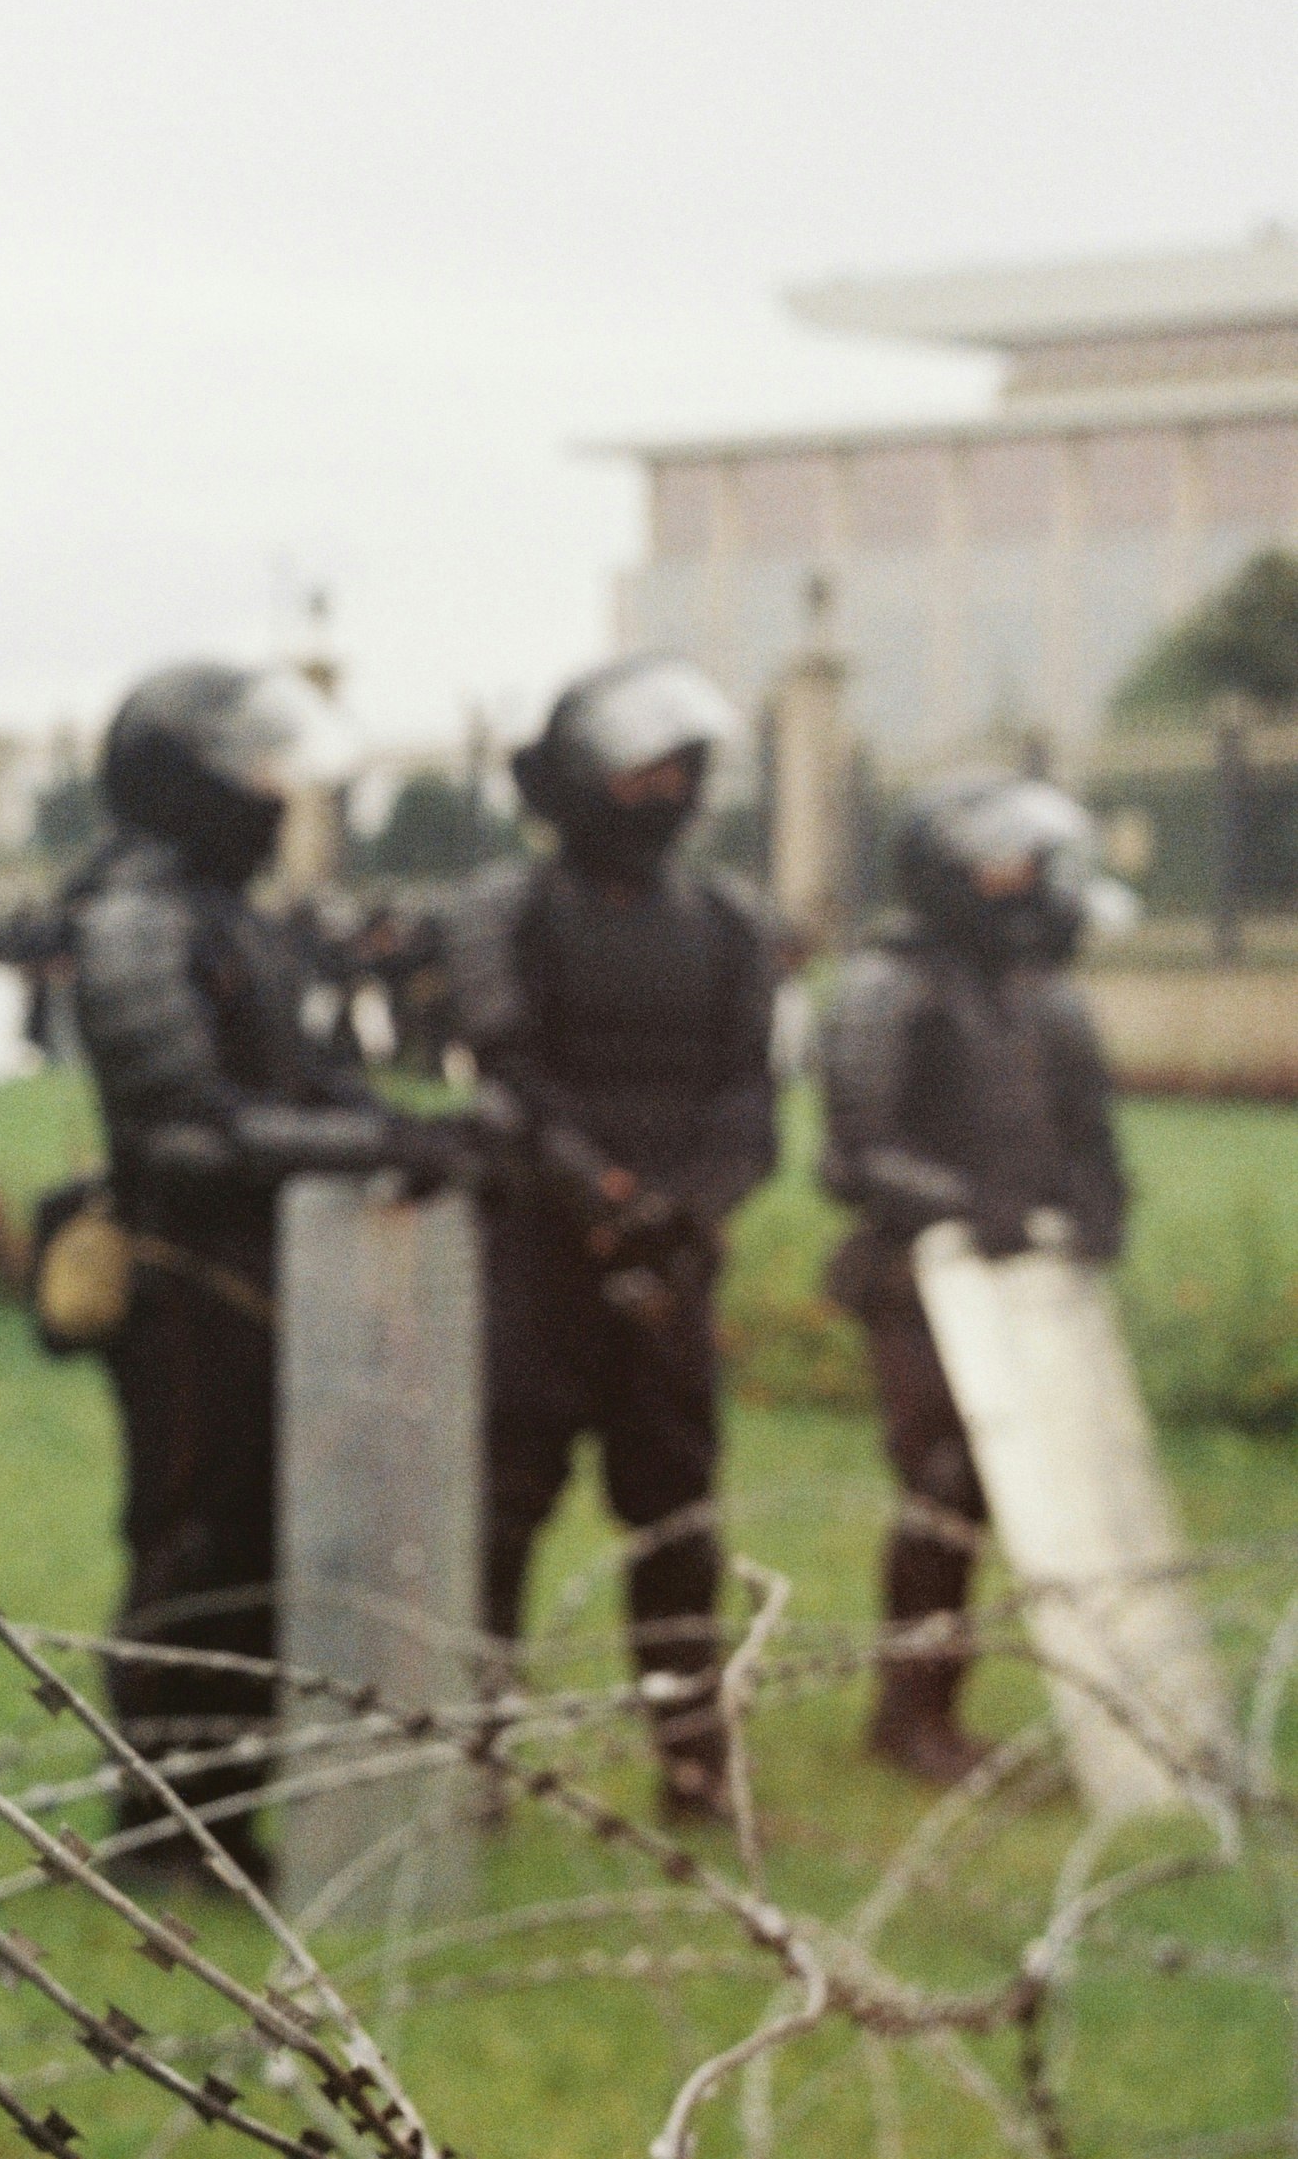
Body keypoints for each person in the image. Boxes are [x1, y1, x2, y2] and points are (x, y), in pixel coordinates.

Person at [68, 662, 459, 1881]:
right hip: (189, 1279)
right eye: (249, 772)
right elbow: (182, 1128)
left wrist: (412, 1128)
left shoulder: (241, 918)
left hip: (277, 1272)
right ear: (181, 782)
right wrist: (365, 1144)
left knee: (257, 1547)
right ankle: (162, 1825)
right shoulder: (137, 920)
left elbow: (311, 1077)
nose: (275, 795)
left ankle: (227, 1814)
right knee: (190, 1543)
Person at [441, 654, 776, 1822]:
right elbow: (505, 1070)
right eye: (644, 769)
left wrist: (684, 1210)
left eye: (682, 769)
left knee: (676, 1515)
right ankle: (470, 1746)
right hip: (537, 1254)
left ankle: (691, 1751)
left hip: (672, 1266)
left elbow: (749, 1100)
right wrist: (596, 1193)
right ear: (583, 778)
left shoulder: (729, 920)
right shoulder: (509, 906)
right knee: (500, 1507)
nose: (667, 790)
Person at [819, 773, 1127, 1785]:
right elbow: (855, 1153)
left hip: (1029, 1282)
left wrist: (1094, 1199)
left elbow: (1083, 1129)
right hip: (920, 1279)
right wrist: (959, 1203)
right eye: (1004, 862)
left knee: (1012, 1490)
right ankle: (908, 1716)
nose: (1026, 881)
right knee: (941, 1480)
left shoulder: (1037, 987)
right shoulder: (885, 986)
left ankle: (953, 1707)